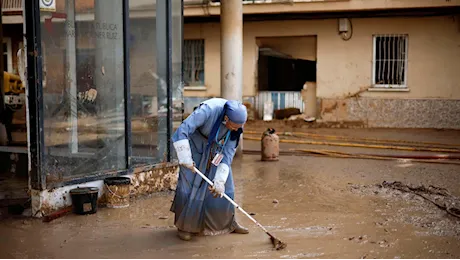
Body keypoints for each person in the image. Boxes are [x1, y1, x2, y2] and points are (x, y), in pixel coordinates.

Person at [171, 98, 249, 241]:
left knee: (227, 187)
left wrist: (219, 180)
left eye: (240, 127)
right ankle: (185, 227)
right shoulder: (208, 110)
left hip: (216, 149)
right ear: (226, 118)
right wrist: (185, 157)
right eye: (235, 126)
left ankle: (227, 224)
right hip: (194, 146)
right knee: (189, 187)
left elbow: (228, 154)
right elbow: (182, 130)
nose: (237, 130)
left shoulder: (235, 130)